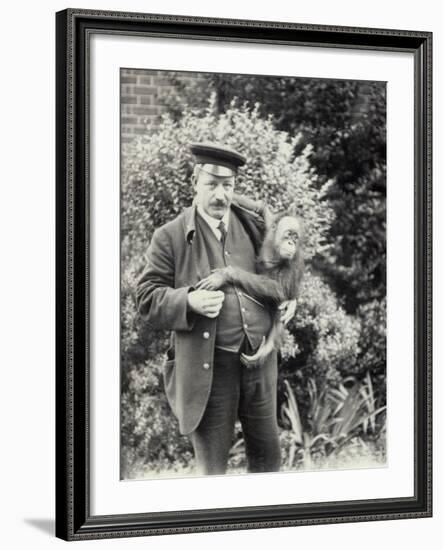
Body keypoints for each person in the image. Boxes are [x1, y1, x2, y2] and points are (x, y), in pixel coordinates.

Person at [136, 142, 296, 475]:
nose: (221, 194)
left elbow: (279, 266)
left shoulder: (252, 224)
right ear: (195, 181)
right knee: (212, 473)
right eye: (212, 184)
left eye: (228, 185)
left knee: (269, 462)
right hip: (209, 370)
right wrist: (189, 301)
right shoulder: (169, 237)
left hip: (260, 365)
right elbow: (147, 298)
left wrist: (290, 295)